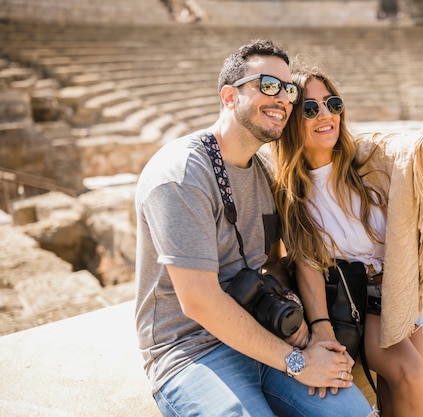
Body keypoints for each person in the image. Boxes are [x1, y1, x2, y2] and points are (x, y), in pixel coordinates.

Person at [134, 39, 376, 417]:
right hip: (193, 354)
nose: (283, 98)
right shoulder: (182, 175)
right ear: (229, 96)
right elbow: (199, 301)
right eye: (267, 85)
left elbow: (277, 264)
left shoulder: (263, 173)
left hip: (265, 336)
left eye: (288, 89)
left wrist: (304, 327)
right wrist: (297, 362)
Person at [272, 41, 423, 417]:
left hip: (404, 289)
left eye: (332, 104)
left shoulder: (370, 158)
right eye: (309, 109)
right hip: (358, 302)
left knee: (398, 396)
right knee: (410, 373)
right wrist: (321, 328)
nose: (325, 115)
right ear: (292, 120)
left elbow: (422, 149)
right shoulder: (289, 191)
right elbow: (306, 262)